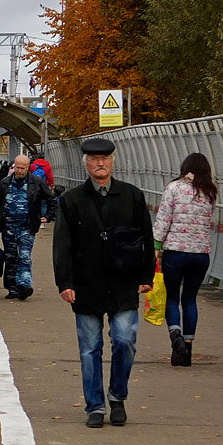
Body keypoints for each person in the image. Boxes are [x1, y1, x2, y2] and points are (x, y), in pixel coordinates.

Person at [53, 136, 155, 428]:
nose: (100, 164)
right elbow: (62, 244)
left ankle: (117, 397)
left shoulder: (131, 196)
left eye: (105, 159)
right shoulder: (71, 200)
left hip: (124, 283)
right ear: (86, 164)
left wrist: (146, 277)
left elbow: (146, 239)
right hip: (86, 284)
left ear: (112, 162)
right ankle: (95, 406)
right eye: (95, 160)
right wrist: (65, 282)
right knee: (90, 348)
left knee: (124, 341)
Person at [153, 153, 217, 367]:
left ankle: (175, 337)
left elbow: (163, 219)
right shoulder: (210, 191)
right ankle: (187, 349)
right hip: (200, 254)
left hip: (175, 252)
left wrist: (156, 246)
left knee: (172, 298)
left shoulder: (174, 188)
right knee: (190, 299)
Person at [0, 154, 57, 299]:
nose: (19, 171)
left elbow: (51, 199)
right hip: (8, 227)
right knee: (10, 257)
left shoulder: (36, 183)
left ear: (28, 167)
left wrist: (48, 216)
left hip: (27, 227)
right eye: (17, 167)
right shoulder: (5, 183)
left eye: (22, 168)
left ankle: (24, 285)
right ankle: (12, 288)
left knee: (24, 256)